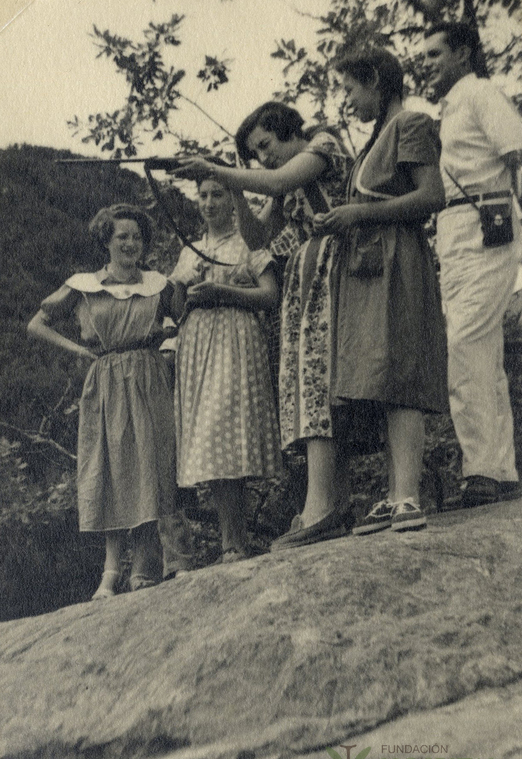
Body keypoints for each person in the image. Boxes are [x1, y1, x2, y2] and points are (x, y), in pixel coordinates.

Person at [171, 103, 353, 547]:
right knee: (318, 388)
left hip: (343, 267)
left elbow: (277, 181)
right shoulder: (281, 179)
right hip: (310, 277)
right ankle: (332, 503)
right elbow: (258, 241)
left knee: (333, 385)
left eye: (266, 145)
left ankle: (328, 505)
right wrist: (234, 187)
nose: (264, 159)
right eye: (255, 153)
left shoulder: (323, 142)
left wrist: (220, 171)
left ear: (289, 128)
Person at [311, 47, 448, 535]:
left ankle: (408, 495)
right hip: (371, 264)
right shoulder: (376, 138)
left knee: (401, 369)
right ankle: (394, 495)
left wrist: (360, 215)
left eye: (350, 88)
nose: (348, 100)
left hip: (398, 262)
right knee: (381, 374)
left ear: (374, 79)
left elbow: (433, 196)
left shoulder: (411, 123)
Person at [27, 204, 177, 598]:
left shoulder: (159, 284)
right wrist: (77, 350)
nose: (130, 243)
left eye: (137, 237)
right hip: (105, 379)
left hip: (148, 376)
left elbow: (186, 320)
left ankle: (146, 563)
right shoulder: (83, 284)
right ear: (106, 241)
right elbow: (36, 324)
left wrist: (169, 343)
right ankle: (110, 572)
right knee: (110, 468)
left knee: (149, 464)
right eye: (121, 236)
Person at [423, 22, 522, 507]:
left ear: (463, 54)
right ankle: (498, 469)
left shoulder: (482, 93)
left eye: (435, 54)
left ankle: (483, 470)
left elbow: (517, 155)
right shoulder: (450, 108)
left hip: (489, 225)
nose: (426, 64)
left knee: (465, 347)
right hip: (456, 235)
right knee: (481, 353)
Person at [170, 163, 282, 562]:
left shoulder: (248, 241)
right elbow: (177, 311)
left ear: (233, 200)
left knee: (227, 432)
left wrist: (224, 292)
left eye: (218, 194)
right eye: (203, 195)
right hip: (198, 345)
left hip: (236, 342)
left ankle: (236, 542)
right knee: (210, 440)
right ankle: (231, 543)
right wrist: (185, 282)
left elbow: (271, 296)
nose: (210, 202)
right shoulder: (189, 249)